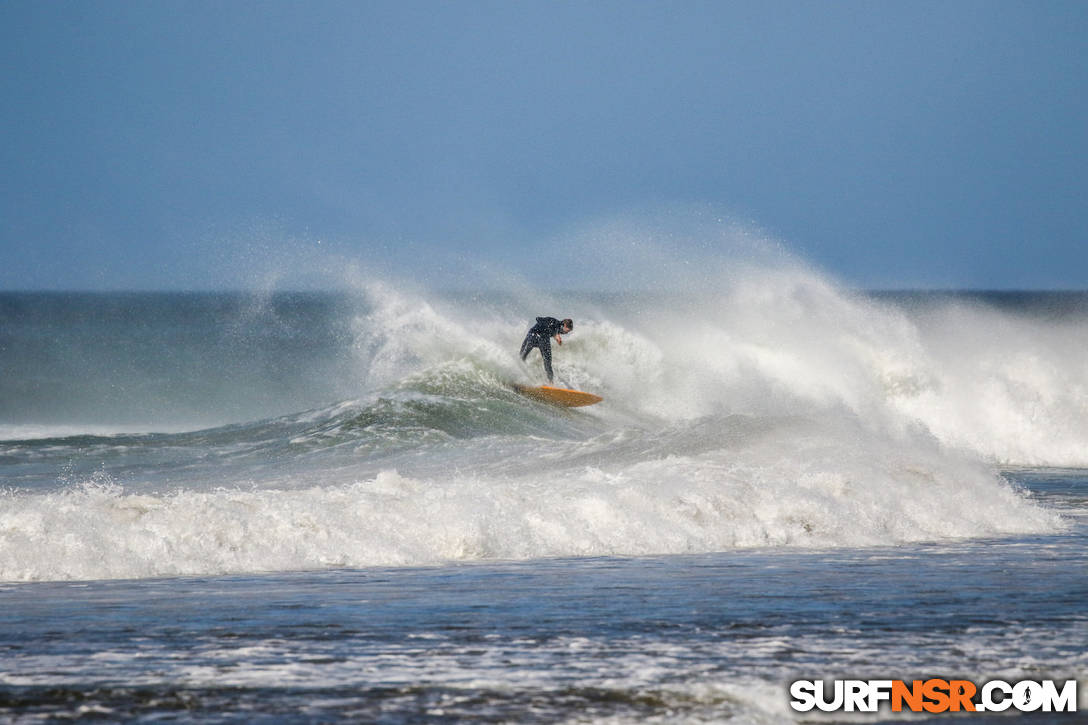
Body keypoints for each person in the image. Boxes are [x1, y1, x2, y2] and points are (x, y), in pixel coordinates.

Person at [519, 317, 573, 383]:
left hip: (536, 336)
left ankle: (550, 382)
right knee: (522, 356)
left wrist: (555, 334)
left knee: (546, 363)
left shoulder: (556, 326)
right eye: (566, 331)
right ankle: (550, 382)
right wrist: (555, 335)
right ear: (564, 325)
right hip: (536, 336)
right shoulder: (555, 322)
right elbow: (539, 319)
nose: (566, 333)